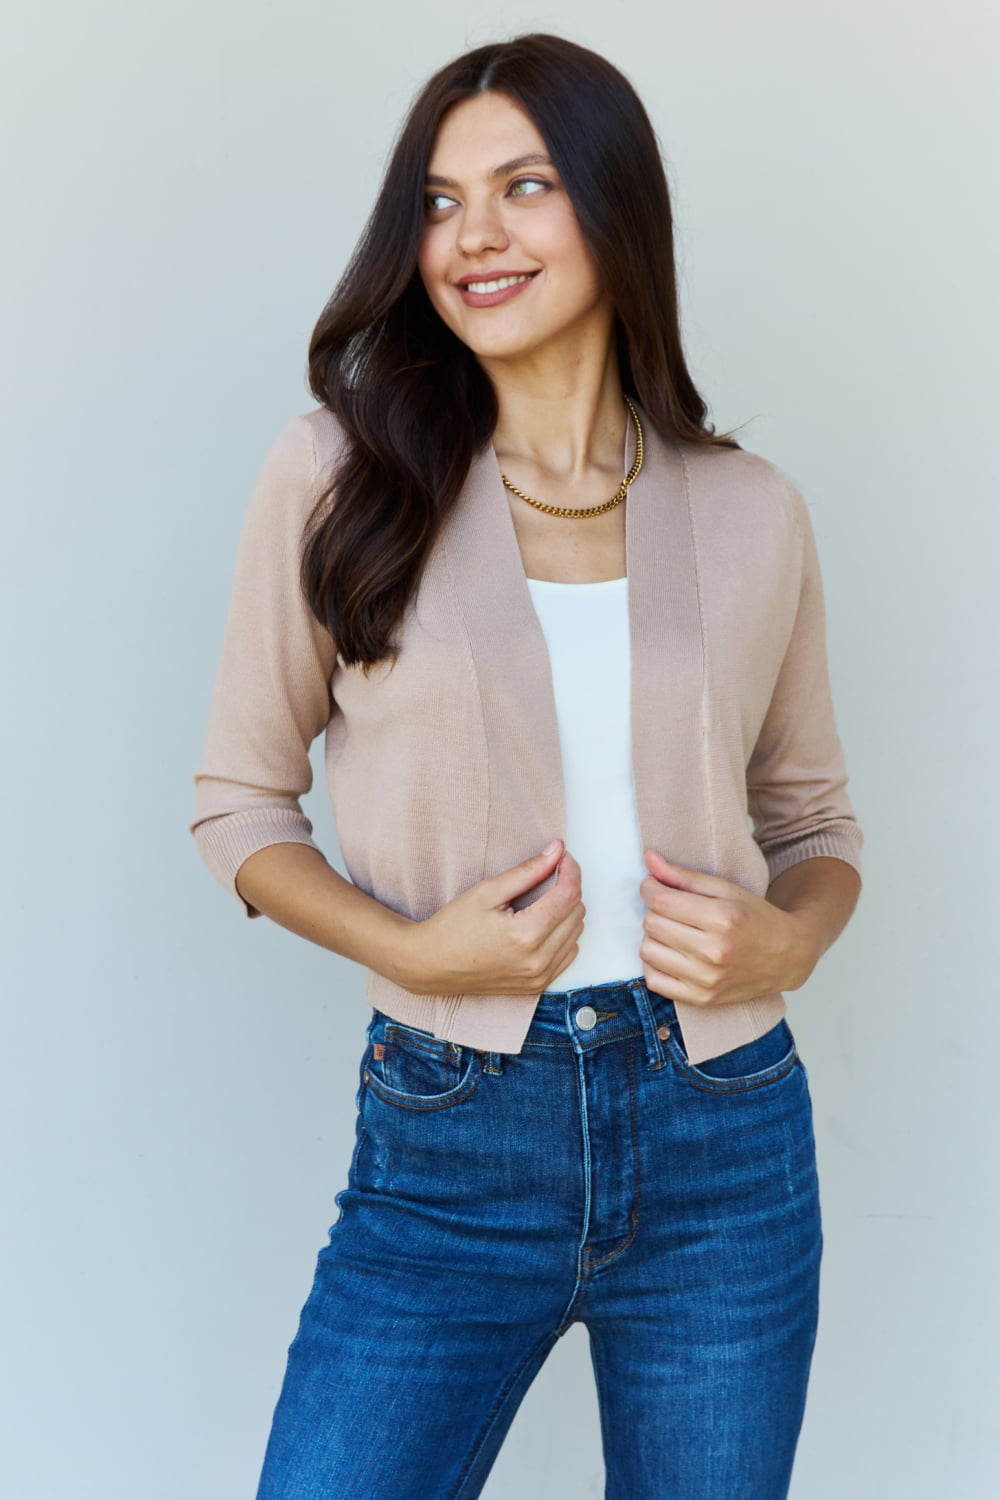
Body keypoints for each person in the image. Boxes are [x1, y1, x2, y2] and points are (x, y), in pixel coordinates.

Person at [190, 31, 863, 1500]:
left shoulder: (754, 510)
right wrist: (413, 944)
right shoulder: (337, 477)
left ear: (615, 210)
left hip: (727, 1144)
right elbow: (239, 802)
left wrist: (787, 940)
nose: (471, 237)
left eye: (523, 186)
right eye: (436, 201)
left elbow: (816, 822)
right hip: (447, 1136)